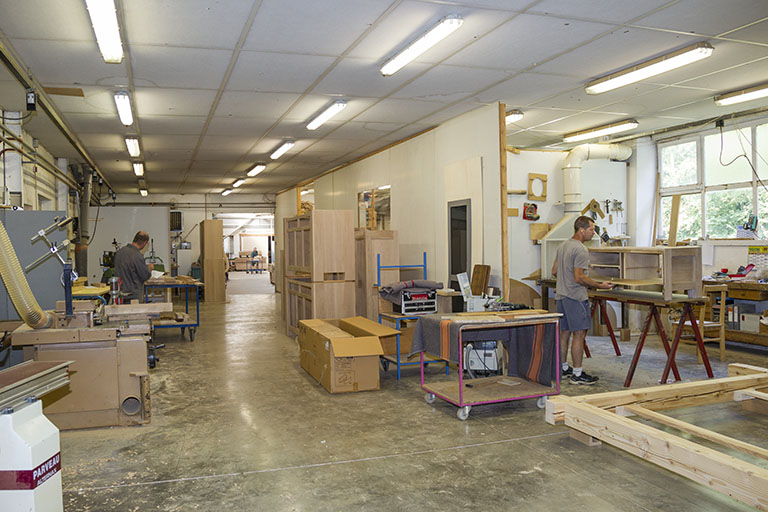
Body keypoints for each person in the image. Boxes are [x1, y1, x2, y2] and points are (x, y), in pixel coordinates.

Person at [552, 216, 614, 385]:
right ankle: (578, 375)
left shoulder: (563, 245)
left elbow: (555, 271)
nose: (593, 233)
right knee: (579, 335)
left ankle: (563, 368)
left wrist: (566, 278)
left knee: (564, 334)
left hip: (562, 296)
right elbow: (579, 278)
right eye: (591, 229)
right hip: (575, 297)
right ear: (581, 230)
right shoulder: (580, 250)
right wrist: (599, 286)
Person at [114, 231, 154, 303]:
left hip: (119, 295)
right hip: (133, 296)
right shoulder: (137, 255)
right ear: (145, 243)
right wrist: (149, 268)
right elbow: (145, 275)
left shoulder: (120, 252)